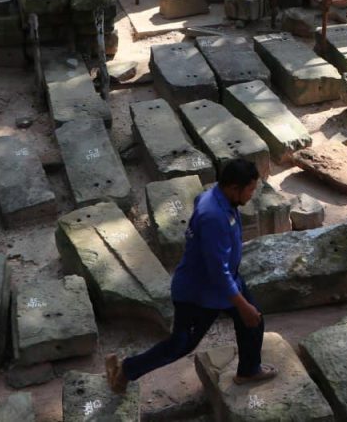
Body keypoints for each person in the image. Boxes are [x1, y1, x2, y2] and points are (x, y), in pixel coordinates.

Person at [105, 159, 277, 394]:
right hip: (199, 294)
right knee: (181, 344)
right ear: (233, 188)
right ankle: (126, 369)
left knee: (253, 322)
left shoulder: (214, 197)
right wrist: (242, 305)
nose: (252, 194)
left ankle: (248, 370)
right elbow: (217, 272)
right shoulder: (213, 216)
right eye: (250, 189)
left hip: (226, 282)